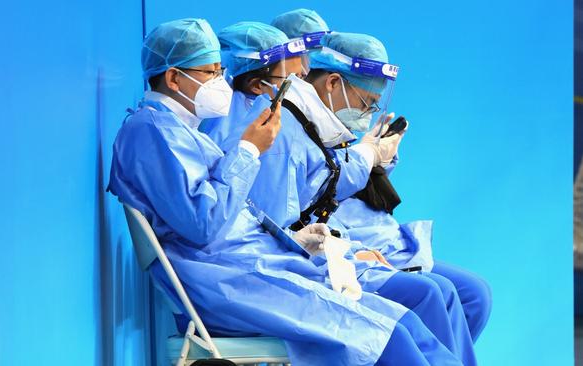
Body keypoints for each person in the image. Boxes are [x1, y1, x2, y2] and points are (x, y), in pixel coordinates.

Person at [108, 18, 463, 365]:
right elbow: (203, 224)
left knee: (406, 323)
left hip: (254, 264)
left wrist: (292, 238)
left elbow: (233, 209)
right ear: (173, 77)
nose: (222, 81)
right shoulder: (150, 132)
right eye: (213, 72)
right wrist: (248, 150)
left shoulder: (182, 131)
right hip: (228, 280)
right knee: (385, 337)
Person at [212, 29, 476, 365]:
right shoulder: (265, 133)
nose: (305, 76)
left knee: (456, 299)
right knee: (421, 306)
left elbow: (314, 195)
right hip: (268, 274)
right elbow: (253, 221)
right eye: (296, 71)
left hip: (306, 255)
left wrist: (372, 159)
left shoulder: (288, 128)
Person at [273, 8, 493, 344]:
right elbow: (298, 208)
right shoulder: (276, 125)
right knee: (434, 295)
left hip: (364, 240)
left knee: (474, 295)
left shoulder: (321, 120)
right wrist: (365, 157)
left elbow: (329, 183)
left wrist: (374, 158)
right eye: (305, 56)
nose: (308, 67)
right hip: (328, 252)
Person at [198, 21, 306, 143]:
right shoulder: (231, 137)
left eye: (301, 77)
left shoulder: (283, 122)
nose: (303, 86)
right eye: (291, 80)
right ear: (257, 85)